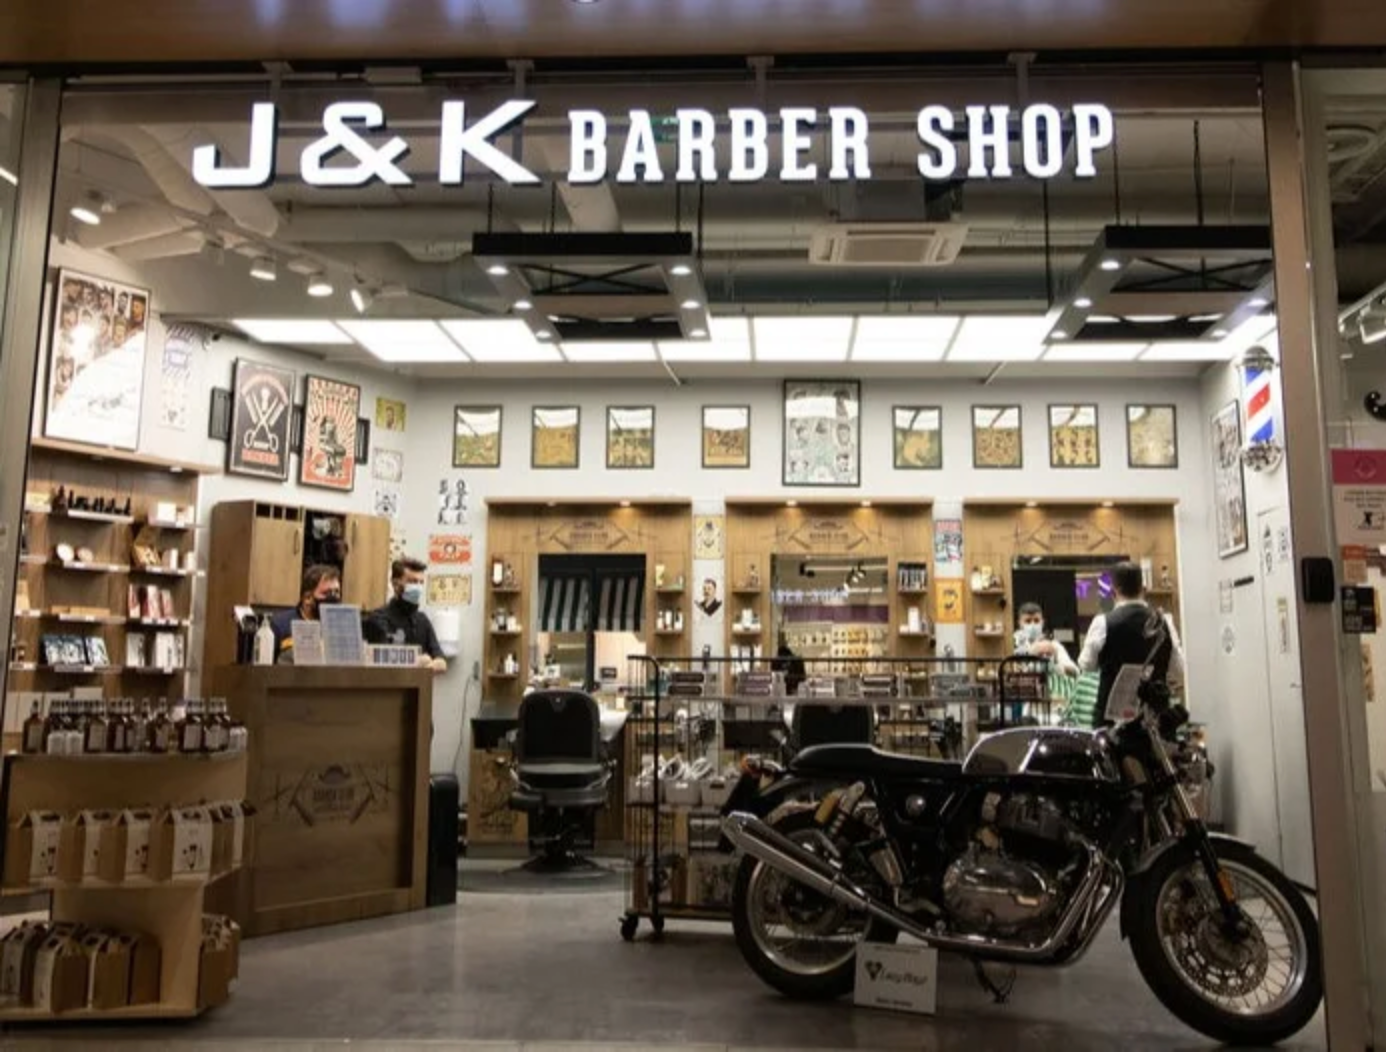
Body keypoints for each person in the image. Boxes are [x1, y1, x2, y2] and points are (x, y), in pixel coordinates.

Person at [1077, 562, 1186, 726]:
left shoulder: (1103, 623)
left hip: (1112, 725)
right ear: (1144, 590)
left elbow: (1086, 665)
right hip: (1153, 722)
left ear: (1114, 592)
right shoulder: (1165, 622)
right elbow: (1178, 670)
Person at [370, 557, 447, 673]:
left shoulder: (422, 620)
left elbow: (441, 662)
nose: (418, 588)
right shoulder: (379, 617)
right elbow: (384, 659)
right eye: (413, 582)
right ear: (396, 584)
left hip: (420, 689)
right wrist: (422, 661)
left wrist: (423, 664)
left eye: (421, 583)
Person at [270, 564, 341, 662]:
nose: (333, 598)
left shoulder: (340, 628)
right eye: (326, 593)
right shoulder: (280, 624)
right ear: (307, 598)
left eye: (336, 592)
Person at [1013, 602, 1078, 676]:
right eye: (1028, 621)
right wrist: (1030, 654)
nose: (1033, 624)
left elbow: (1074, 672)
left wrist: (1055, 660)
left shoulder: (1053, 644)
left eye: (1036, 620)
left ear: (1042, 622)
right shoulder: (1012, 644)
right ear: (1019, 623)